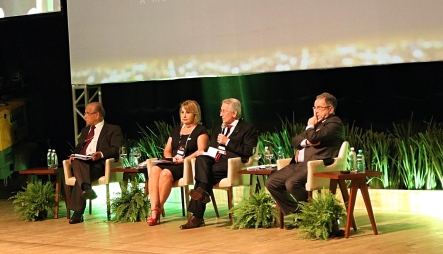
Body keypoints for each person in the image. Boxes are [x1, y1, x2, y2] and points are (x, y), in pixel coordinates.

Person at [266, 92, 345, 219]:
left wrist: (309, 126)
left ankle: (311, 215)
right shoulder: (316, 124)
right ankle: (298, 213)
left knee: (292, 183)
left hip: (317, 165)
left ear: (330, 109)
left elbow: (314, 136)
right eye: (315, 108)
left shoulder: (334, 123)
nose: (316, 111)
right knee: (271, 182)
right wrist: (307, 141)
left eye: (320, 108)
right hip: (301, 164)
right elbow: (295, 140)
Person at [181, 98, 257, 229]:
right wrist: (205, 153)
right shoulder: (218, 128)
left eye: (224, 111)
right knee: (200, 160)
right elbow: (213, 148)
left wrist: (227, 142)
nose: (220, 114)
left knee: (202, 178)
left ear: (234, 113)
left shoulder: (247, 128)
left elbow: (248, 150)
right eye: (220, 111)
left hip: (232, 163)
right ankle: (202, 193)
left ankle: (197, 216)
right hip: (215, 161)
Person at [147, 100, 209, 226]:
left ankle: (158, 209)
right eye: (182, 112)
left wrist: (185, 159)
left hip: (187, 165)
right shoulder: (176, 130)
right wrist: (171, 158)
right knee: (154, 170)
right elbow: (167, 150)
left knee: (165, 174)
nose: (184, 115)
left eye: (188, 113)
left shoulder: (200, 130)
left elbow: (201, 150)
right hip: (174, 162)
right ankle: (154, 209)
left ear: (195, 115)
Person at [68, 102, 123, 224]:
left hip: (98, 165)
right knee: (77, 160)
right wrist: (73, 155)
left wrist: (101, 154)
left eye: (87, 113)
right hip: (82, 162)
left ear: (97, 114)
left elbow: (115, 149)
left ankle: (78, 212)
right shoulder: (85, 130)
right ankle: (86, 188)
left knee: (80, 176)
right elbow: (78, 148)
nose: (85, 116)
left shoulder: (113, 129)